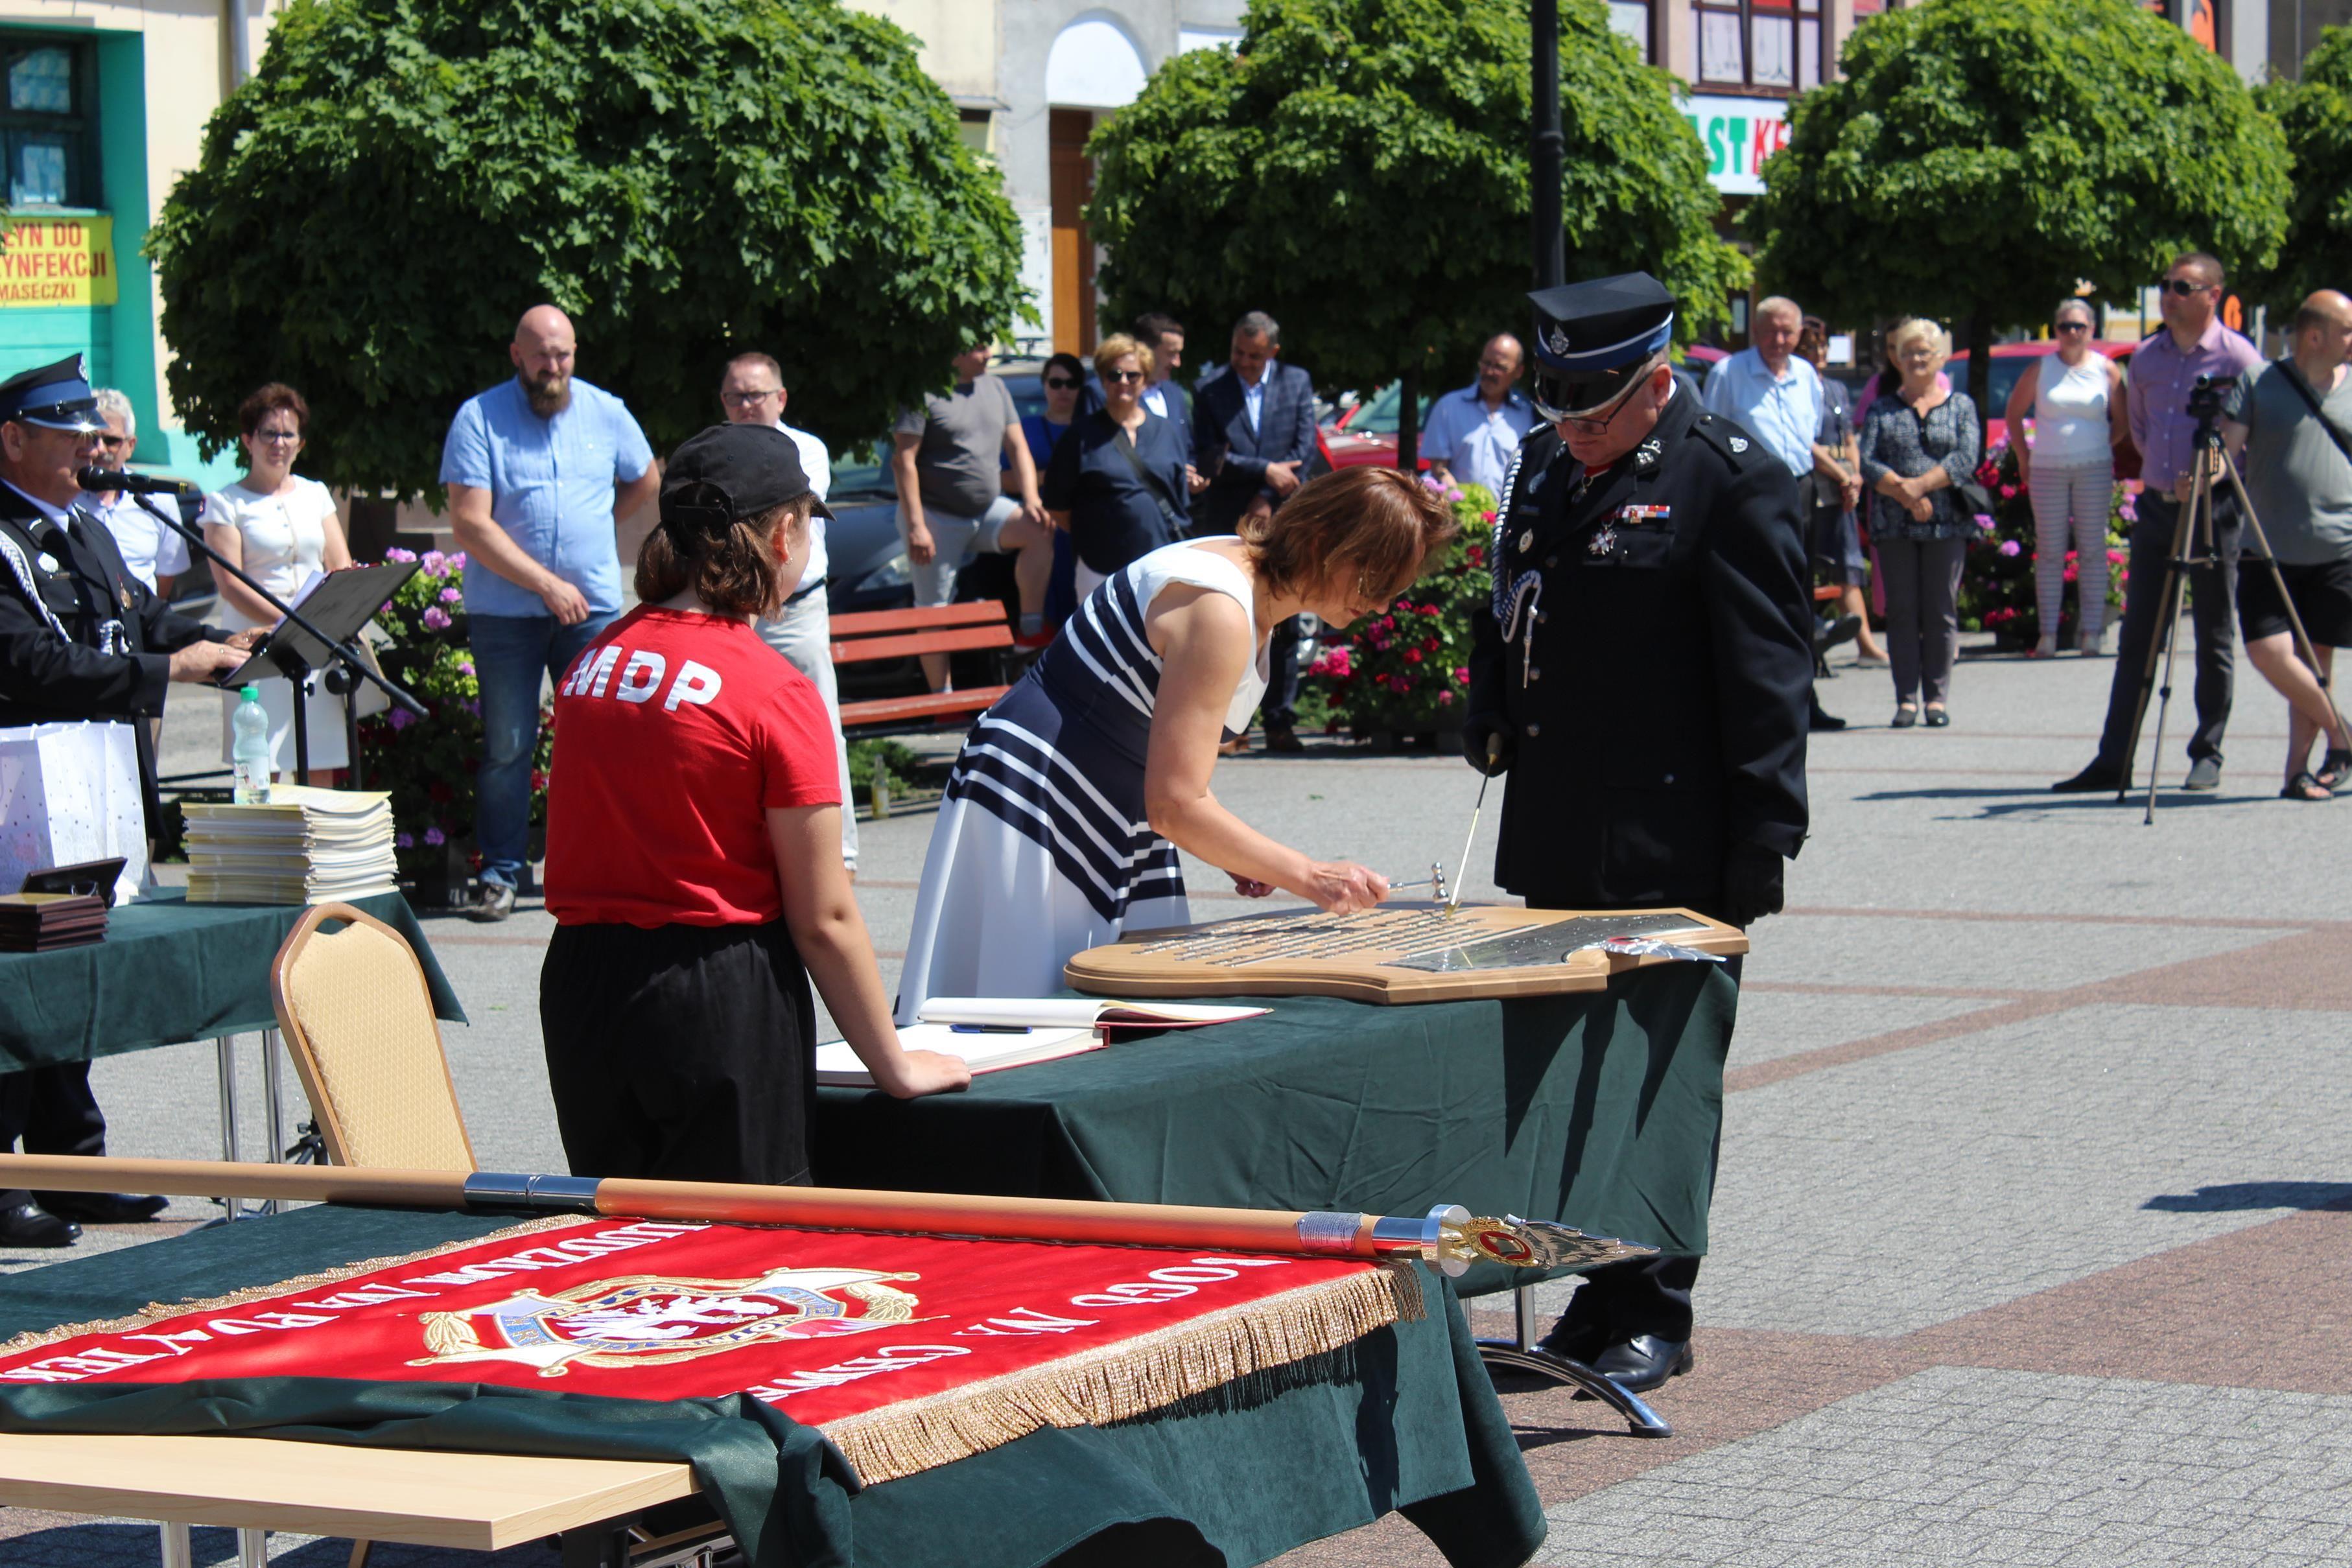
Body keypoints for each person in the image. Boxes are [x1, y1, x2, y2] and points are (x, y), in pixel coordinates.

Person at [1463, 272, 1811, 1395]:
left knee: (1659, 1082)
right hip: (1563, 830)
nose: (1570, 429)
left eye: (1593, 409)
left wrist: (1761, 835)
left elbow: (1767, 676)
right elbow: (1511, 596)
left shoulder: (1731, 479)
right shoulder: (1550, 465)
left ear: (1656, 382)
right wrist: (1487, 700)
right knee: (1568, 1077)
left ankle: (1654, 1303)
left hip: (1676, 845)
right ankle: (1592, 1287)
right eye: (1557, 410)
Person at [540, 423, 969, 1185]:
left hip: (583, 986)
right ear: (782, 532)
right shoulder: (772, 690)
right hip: (713, 990)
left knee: (625, 1255)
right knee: (742, 1259)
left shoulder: (592, 663)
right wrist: (892, 1062)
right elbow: (824, 916)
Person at [897, 465, 1452, 1023]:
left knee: (1112, 1021)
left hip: (1107, 805)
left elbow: (1171, 782)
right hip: (1039, 799)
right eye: (1374, 582)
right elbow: (1177, 805)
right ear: (1321, 543)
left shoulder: (1249, 582)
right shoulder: (1221, 608)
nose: (1380, 606)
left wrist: (1236, 849)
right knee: (1015, 1026)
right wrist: (1311, 877)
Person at [0, 354, 258, 1247]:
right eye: (72, 437)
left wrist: (220, 641)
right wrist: (165, 669)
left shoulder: (86, 527)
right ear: (14, 438)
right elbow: (30, 665)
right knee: (22, 984)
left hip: (91, 790)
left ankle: (75, 1163)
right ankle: (5, 1178)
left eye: (94, 436)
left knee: (75, 979)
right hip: (18, 802)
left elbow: (137, 624)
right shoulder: (2, 538)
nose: (93, 450)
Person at [441, 305, 660, 921]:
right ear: (517, 355)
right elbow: (469, 522)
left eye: (563, 355)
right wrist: (546, 583)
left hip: (590, 605)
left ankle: (596, 867)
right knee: (510, 745)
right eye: (541, 355)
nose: (553, 367)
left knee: (600, 742)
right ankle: (504, 874)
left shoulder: (605, 410)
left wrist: (600, 524)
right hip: (507, 612)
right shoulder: (480, 417)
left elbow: (644, 478)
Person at [2054, 252, 2262, 793]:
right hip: (2159, 507)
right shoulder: (2145, 358)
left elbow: (2248, 440)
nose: (2170, 295)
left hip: (2215, 509)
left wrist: (2207, 477)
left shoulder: (2240, 358)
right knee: (2140, 635)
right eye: (2166, 286)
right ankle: (2114, 759)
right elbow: (2141, 432)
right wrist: (2169, 480)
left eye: (2183, 287)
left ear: (2213, 295)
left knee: (2213, 630)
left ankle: (2207, 751)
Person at [720, 352, 856, 876]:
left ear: (781, 398)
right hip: (733, 609)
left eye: (756, 394)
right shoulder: (715, 450)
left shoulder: (807, 450)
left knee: (819, 724)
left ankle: (838, 854)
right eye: (736, 395)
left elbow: (779, 513)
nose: (746, 404)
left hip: (794, 610)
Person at [2221, 289, 2352, 801]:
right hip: (2267, 549)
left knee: (2316, 663)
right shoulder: (2259, 381)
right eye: (2347, 330)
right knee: (2269, 651)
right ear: (2316, 335)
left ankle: (2297, 770)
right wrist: (2199, 475)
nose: (2351, 339)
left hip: (2337, 548)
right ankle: (2343, 735)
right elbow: (2226, 451)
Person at [203, 383, 355, 784]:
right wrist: (292, 623)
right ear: (248, 440)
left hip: (315, 640)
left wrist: (318, 622)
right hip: (257, 641)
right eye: (269, 433)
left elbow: (339, 563)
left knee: (320, 757)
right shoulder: (226, 502)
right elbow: (232, 584)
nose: (279, 443)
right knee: (260, 763)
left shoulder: (316, 493)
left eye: (289, 434)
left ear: (301, 443)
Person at [1706, 297, 1845, 730]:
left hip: (1799, 491)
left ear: (1801, 333)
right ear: (1754, 331)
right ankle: (1754, 698)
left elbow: (1809, 442)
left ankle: (1804, 698)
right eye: (1770, 331)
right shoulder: (1729, 374)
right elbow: (1708, 435)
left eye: (1788, 332)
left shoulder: (1806, 376)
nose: (1779, 340)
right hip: (1747, 495)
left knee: (1799, 597)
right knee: (1754, 597)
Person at [1193, 311, 1319, 753]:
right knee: (1232, 617)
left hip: (1284, 513)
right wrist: (1264, 468)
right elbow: (1211, 457)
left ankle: (1280, 720)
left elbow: (1304, 448)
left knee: (1283, 611)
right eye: (1238, 353)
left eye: (1255, 355)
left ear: (1273, 353)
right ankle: (1231, 726)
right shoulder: (1210, 389)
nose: (1245, 362)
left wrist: (1266, 492)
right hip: (1228, 515)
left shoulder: (1296, 382)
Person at [893, 340, 1054, 686]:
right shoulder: (926, 392)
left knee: (1038, 529)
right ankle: (943, 699)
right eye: (979, 349)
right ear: (956, 351)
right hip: (937, 515)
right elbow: (903, 461)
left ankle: (1029, 631)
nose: (988, 355)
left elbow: (1017, 447)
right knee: (933, 610)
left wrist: (1031, 499)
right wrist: (916, 525)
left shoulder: (995, 386)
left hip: (987, 509)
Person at [1858, 318, 1982, 729]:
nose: (1914, 360)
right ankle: (1906, 699)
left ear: (1940, 358)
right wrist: (1904, 493)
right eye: (1907, 353)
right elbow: (1869, 459)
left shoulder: (1960, 405)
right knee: (1902, 611)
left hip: (1947, 523)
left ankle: (1937, 699)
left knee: (1940, 609)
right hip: (1893, 523)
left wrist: (1922, 488)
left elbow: (1966, 457)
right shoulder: (1881, 407)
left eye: (1923, 353)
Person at [2006, 300, 2126, 659]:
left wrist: (2104, 444)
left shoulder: (2106, 369)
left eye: (2079, 326)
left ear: (2091, 330)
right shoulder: (2040, 369)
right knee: (2050, 552)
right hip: (2047, 469)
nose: (2072, 333)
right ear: (2055, 331)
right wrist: (2024, 458)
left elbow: (2123, 421)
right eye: (2064, 326)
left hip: (2094, 467)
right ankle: (2048, 636)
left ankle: (2091, 632)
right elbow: (2014, 414)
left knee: (2092, 549)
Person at [1044, 334, 1192, 596]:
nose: (1123, 382)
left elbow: (1178, 495)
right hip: (1099, 570)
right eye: (1114, 375)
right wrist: (1096, 532)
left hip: (1160, 566)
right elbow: (1057, 506)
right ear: (1103, 381)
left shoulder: (1166, 431)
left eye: (1132, 375)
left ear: (1145, 380)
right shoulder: (1079, 436)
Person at [1799, 318, 1886, 666]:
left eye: (1822, 346)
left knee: (1849, 564)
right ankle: (1821, 635)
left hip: (1842, 486)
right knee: (1814, 565)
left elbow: (1849, 437)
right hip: (1815, 482)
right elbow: (1802, 440)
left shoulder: (1835, 388)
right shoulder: (1798, 386)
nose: (1818, 353)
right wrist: (1841, 473)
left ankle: (1865, 644)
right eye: (1810, 347)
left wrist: (1855, 475)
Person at [85, 389, 187, 598]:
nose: (100, 449)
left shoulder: (156, 499)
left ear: (130, 446)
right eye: (92, 439)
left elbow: (166, 575)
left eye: (111, 440)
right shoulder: (65, 498)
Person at [1422, 334, 1537, 497]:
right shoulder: (1449, 406)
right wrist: (1461, 502)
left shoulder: (1527, 414)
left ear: (1518, 371)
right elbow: (1438, 467)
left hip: (1506, 516)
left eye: (1500, 367)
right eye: (1486, 363)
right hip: (1459, 514)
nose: (1490, 372)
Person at [1022, 352, 1087, 630]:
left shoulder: (1093, 428)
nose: (1063, 390)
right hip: (1044, 530)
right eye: (1056, 382)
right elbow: (1003, 478)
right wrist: (1052, 476)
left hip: (1086, 531)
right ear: (1044, 384)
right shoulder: (1026, 429)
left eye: (1071, 383)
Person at [1135, 310, 1193, 456]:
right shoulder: (1117, 394)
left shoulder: (1176, 394)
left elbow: (1188, 449)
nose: (1177, 363)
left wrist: (1191, 473)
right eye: (1171, 353)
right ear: (1146, 351)